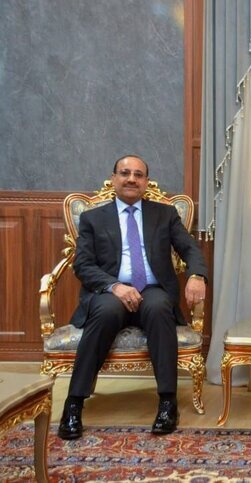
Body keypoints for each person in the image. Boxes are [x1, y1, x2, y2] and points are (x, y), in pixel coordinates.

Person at [58, 155, 208, 440]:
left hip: (152, 289)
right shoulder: (93, 218)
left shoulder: (165, 214)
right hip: (110, 291)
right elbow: (83, 265)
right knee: (104, 313)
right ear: (113, 178)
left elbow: (190, 249)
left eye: (138, 175)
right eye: (125, 173)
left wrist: (197, 275)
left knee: (160, 308)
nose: (131, 179)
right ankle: (74, 403)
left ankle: (168, 403)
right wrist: (114, 285)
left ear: (146, 182)